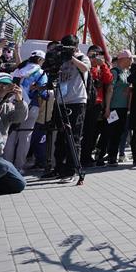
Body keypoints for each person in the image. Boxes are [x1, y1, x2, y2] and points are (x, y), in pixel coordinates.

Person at [50, 35, 90, 180]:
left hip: (77, 100)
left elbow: (85, 68)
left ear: (75, 46)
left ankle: (71, 169)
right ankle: (58, 167)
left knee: (74, 137)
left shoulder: (82, 57)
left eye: (68, 46)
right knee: (60, 137)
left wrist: (72, 57)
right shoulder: (61, 59)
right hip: (61, 101)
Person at [3, 50, 47, 172]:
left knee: (11, 135)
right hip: (31, 106)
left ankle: (7, 165)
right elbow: (44, 93)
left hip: (13, 105)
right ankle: (18, 167)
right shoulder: (40, 72)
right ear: (39, 60)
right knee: (24, 137)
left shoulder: (19, 70)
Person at [99, 50, 132, 166]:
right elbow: (110, 89)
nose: (131, 61)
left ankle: (113, 156)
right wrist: (107, 108)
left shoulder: (127, 72)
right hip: (113, 108)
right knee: (108, 132)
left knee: (118, 133)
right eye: (130, 58)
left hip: (123, 108)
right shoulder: (115, 72)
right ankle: (100, 155)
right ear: (122, 59)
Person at [82, 45, 113, 165]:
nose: (95, 57)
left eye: (98, 54)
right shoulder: (85, 64)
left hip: (97, 103)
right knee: (83, 132)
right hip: (83, 101)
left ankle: (87, 156)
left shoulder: (101, 68)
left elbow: (108, 80)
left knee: (91, 132)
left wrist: (103, 65)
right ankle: (82, 156)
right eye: (93, 54)